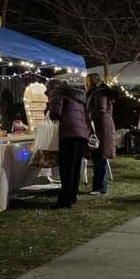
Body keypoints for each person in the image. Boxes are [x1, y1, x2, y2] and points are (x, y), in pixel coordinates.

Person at [48, 79, 89, 208]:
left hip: (68, 134)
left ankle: (64, 200)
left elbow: (55, 114)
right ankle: (72, 196)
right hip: (81, 135)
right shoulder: (77, 96)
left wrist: (48, 110)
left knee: (66, 169)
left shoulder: (58, 93)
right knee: (75, 168)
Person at [86, 73, 117, 195]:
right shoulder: (101, 92)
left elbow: (101, 109)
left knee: (100, 156)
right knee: (99, 157)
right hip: (102, 126)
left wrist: (89, 116)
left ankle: (100, 187)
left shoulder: (99, 93)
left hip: (101, 127)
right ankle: (99, 186)